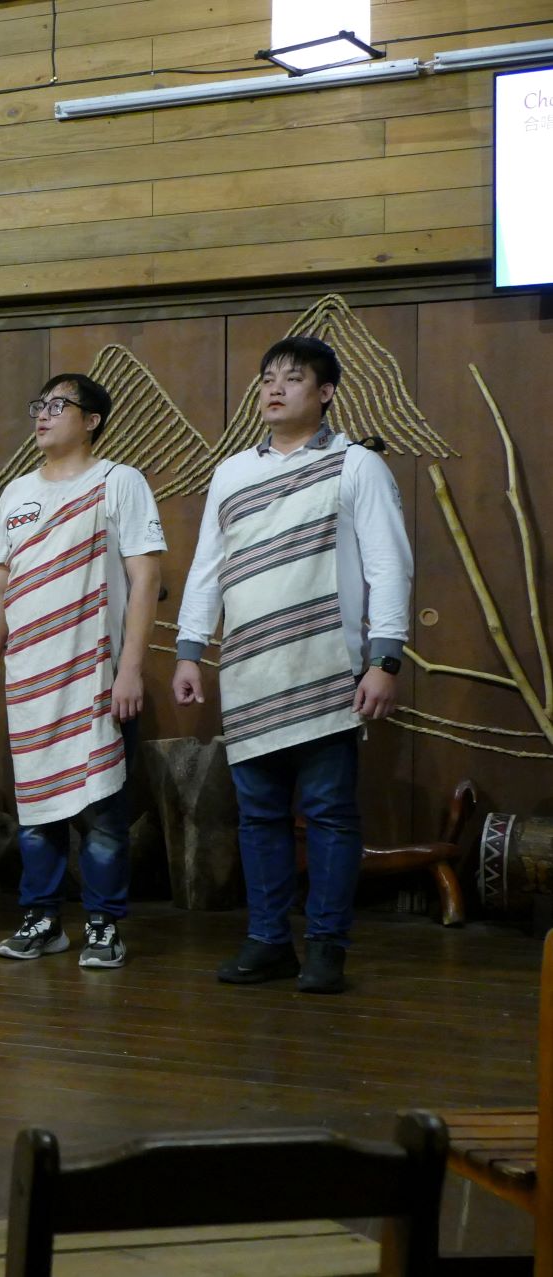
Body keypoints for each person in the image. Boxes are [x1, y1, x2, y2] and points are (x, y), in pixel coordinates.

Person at [173, 336, 411, 995]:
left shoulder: (355, 465)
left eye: (293, 378)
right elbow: (206, 567)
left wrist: (384, 658)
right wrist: (190, 648)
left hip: (327, 667)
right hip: (249, 668)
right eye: (266, 377)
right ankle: (268, 940)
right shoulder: (229, 472)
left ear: (326, 391)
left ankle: (327, 945)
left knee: (331, 812)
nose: (273, 387)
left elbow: (389, 564)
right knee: (258, 817)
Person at [0, 373, 163, 969]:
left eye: (59, 406)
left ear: (92, 420)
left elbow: (146, 578)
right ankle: (42, 919)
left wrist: (129, 671)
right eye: (39, 404)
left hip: (94, 676)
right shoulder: (16, 494)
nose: (44, 415)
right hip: (30, 678)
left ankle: (104, 924)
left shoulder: (119, 482)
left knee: (104, 813)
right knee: (35, 811)